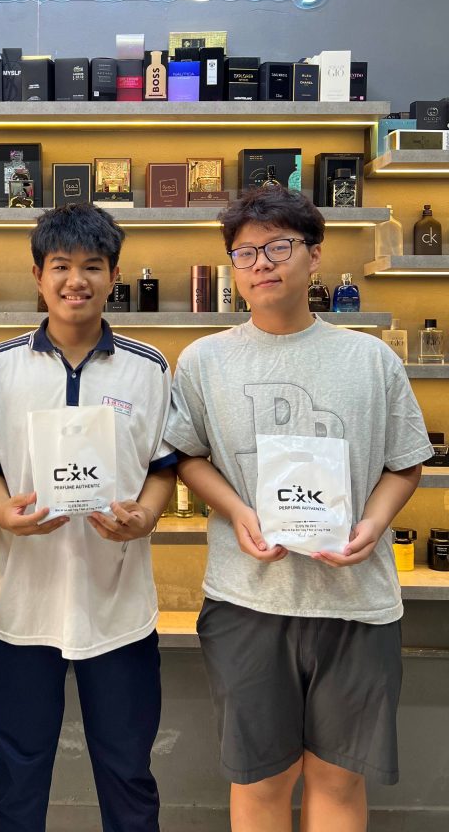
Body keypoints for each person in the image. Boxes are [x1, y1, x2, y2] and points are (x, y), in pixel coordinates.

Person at [165, 186, 433, 832]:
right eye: (245, 252)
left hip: (356, 604)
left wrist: (374, 523)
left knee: (339, 779)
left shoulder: (370, 358)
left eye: (279, 247)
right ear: (233, 267)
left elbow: (405, 463)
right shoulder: (203, 362)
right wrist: (238, 511)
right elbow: (187, 456)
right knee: (261, 782)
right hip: (247, 600)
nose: (261, 263)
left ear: (315, 256)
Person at [0, 203, 176, 832]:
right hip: (21, 609)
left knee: (128, 773)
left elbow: (163, 468)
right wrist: (1, 509)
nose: (75, 280)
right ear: (38, 275)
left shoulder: (148, 368)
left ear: (113, 275)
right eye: (60, 265)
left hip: (117, 608)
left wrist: (146, 515)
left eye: (92, 265)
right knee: (18, 775)